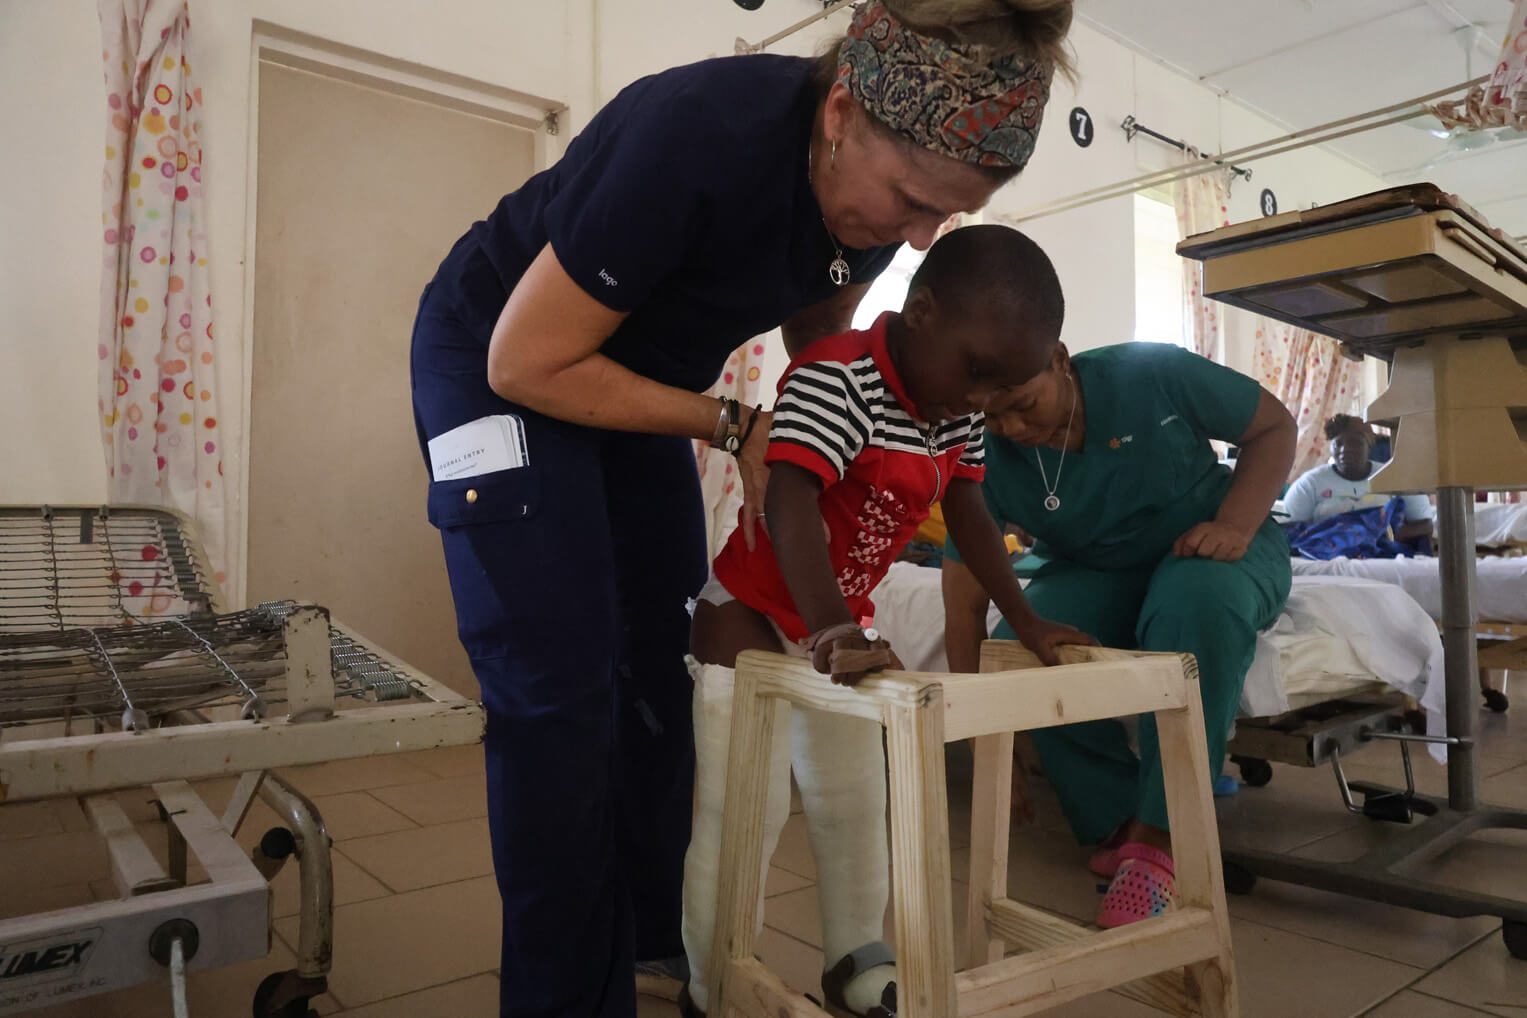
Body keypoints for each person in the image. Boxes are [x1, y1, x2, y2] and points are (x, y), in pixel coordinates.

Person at [406, 2, 1075, 1013]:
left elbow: (823, 345)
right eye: (910, 201)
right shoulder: (696, 138)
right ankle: (563, 998)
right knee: (560, 691)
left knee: (666, 656)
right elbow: (526, 358)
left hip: (636, 379)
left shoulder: (878, 214)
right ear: (841, 110)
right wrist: (729, 425)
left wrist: (845, 452)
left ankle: (653, 935)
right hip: (500, 358)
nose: (922, 236)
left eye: (949, 215)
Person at [682, 226, 1092, 1017]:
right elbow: (794, 501)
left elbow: (970, 512)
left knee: (852, 801)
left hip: (837, 627)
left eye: (996, 389)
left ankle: (854, 961)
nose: (978, 400)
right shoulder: (835, 377)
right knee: (744, 813)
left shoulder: (952, 406)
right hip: (750, 617)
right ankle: (714, 984)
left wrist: (1025, 618)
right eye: (975, 373)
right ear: (921, 310)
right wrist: (831, 627)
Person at [941, 341, 1296, 928]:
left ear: (1058, 359)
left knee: (1195, 601)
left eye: (1023, 405)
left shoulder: (1148, 374)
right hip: (1100, 570)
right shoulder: (985, 449)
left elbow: (1273, 426)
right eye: (992, 416)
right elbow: (963, 609)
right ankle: (1118, 818)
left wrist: (1235, 524)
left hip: (1208, 543)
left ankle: (1164, 838)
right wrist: (981, 743)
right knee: (1020, 644)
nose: (1012, 427)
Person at [1283, 414, 1434, 543]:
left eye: (1355, 443)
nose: (1345, 450)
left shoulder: (1398, 478)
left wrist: (1379, 536)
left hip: (1386, 557)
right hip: (1326, 557)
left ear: (1369, 446)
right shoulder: (1309, 484)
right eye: (1338, 444)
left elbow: (1425, 525)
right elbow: (1290, 530)